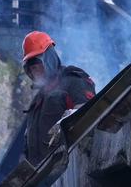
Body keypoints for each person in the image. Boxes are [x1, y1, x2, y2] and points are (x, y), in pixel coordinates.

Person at [20, 31, 96, 165]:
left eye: (38, 66)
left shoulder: (72, 81)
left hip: (70, 170)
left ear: (49, 59)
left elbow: (89, 118)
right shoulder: (37, 102)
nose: (35, 72)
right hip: (43, 177)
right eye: (31, 69)